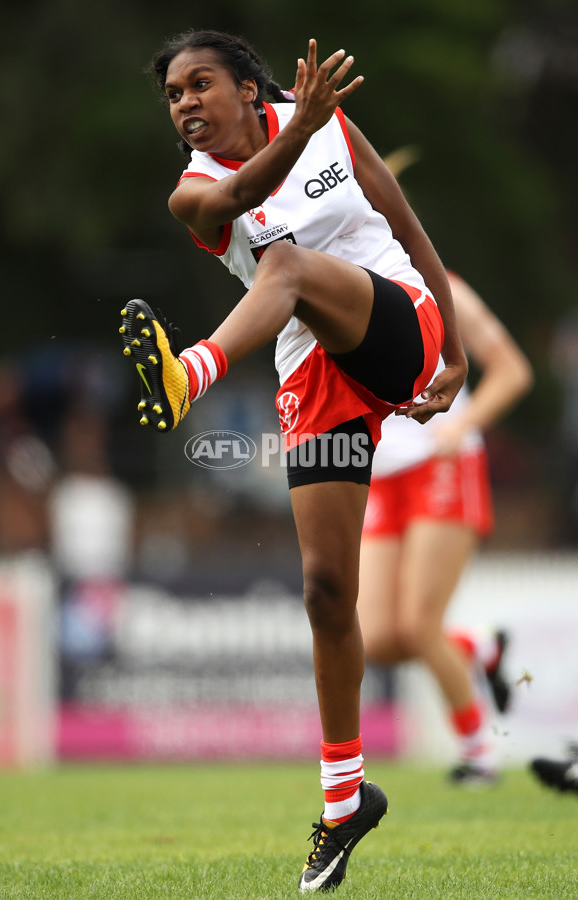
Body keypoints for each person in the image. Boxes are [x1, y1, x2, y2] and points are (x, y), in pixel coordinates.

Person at [119, 30, 468, 892]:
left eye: (201, 84)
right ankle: (345, 802)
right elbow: (246, 189)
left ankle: (190, 369)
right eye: (173, 95)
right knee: (324, 590)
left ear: (246, 88)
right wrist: (297, 128)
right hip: (313, 369)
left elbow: (405, 221)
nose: (186, 103)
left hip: (398, 325)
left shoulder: (327, 125)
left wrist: (456, 352)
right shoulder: (193, 194)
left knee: (287, 262)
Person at [357, 269, 533, 785]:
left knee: (418, 624)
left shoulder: (437, 284)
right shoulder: (337, 282)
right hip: (383, 475)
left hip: (442, 463)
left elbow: (512, 370)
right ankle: (481, 647)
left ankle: (480, 755)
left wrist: (462, 425)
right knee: (379, 638)